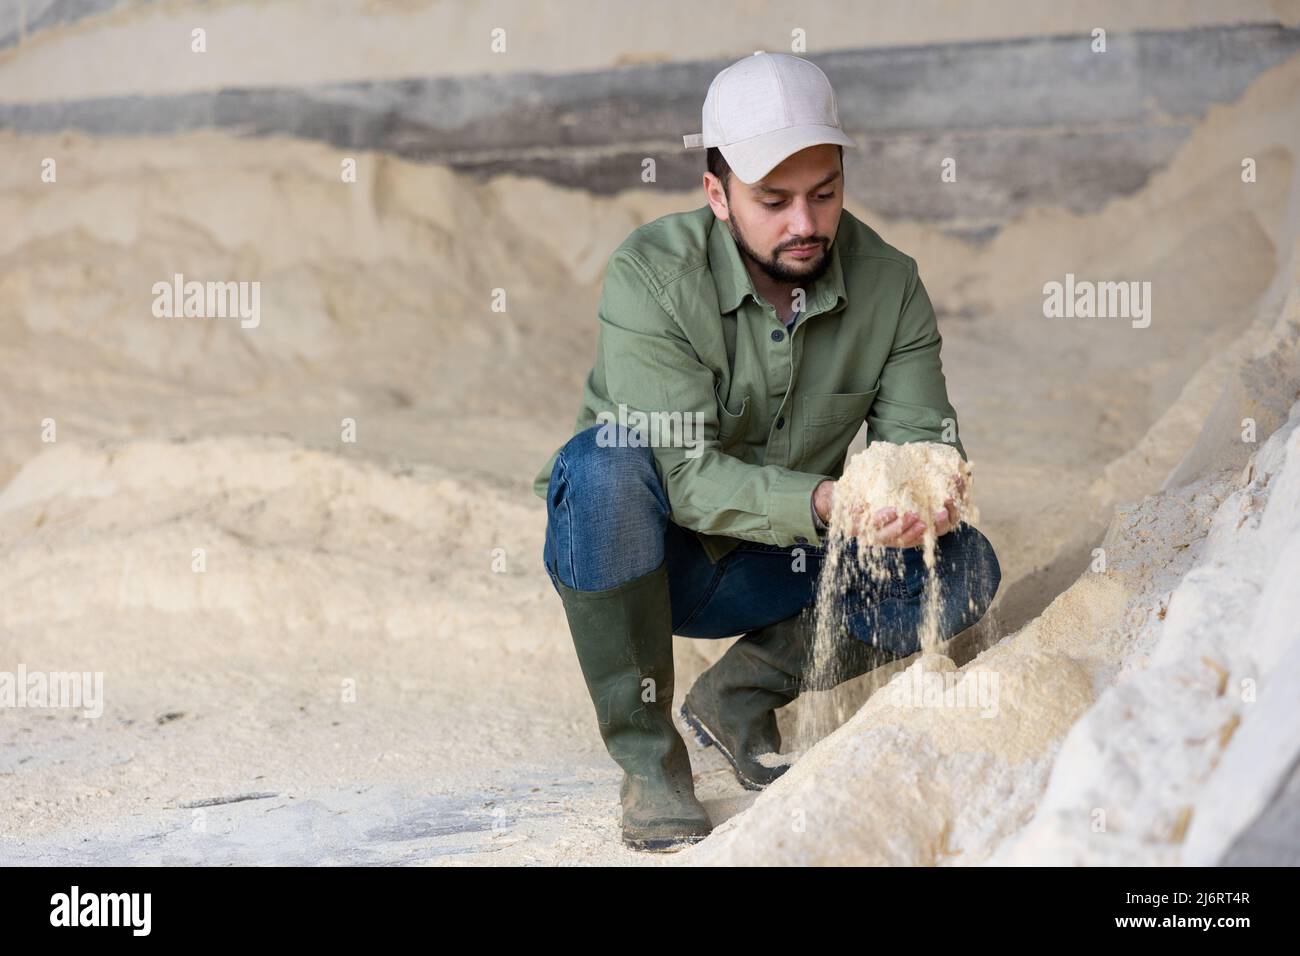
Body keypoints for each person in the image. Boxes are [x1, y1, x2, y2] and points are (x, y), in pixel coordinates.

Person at [532, 52, 1001, 852]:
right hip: (650, 556)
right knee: (603, 463)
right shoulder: (651, 276)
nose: (805, 224)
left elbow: (924, 442)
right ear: (717, 195)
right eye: (773, 200)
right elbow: (678, 472)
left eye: (825, 193)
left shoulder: (891, 286)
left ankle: (740, 695)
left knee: (964, 566)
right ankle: (649, 761)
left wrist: (925, 495)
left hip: (781, 565)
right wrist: (825, 503)